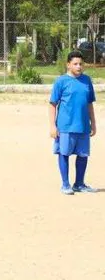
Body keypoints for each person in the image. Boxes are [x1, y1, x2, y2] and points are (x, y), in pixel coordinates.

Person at [49, 50, 97, 195]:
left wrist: (93, 123)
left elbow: (89, 104)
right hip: (66, 126)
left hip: (82, 126)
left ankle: (79, 184)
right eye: (75, 64)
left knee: (83, 155)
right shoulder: (61, 81)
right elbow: (52, 104)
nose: (79, 67)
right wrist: (52, 126)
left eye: (81, 64)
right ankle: (65, 184)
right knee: (64, 153)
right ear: (68, 65)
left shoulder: (87, 80)